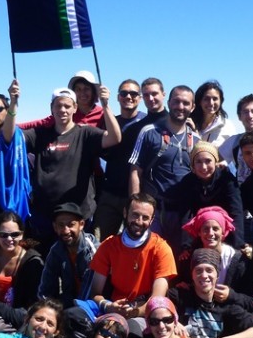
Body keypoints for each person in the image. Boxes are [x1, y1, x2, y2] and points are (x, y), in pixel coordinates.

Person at [2, 80, 120, 248]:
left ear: (75, 108)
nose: (62, 110)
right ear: (52, 109)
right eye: (58, 106)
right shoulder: (40, 134)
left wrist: (106, 105)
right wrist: (13, 103)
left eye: (67, 106)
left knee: (80, 261)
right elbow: (9, 137)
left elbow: (115, 138)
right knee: (45, 259)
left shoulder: (85, 133)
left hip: (78, 214)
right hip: (45, 214)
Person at [85, 193, 178, 327]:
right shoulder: (108, 245)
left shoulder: (161, 248)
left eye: (145, 218)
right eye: (135, 215)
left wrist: (134, 312)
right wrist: (109, 306)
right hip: (112, 308)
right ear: (125, 213)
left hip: (144, 312)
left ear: (152, 221)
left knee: (131, 330)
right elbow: (95, 293)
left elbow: (157, 299)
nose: (139, 222)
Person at [128, 85, 197, 255]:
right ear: (169, 102)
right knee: (148, 255)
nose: (180, 106)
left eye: (185, 103)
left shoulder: (196, 139)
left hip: (183, 213)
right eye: (176, 101)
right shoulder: (150, 132)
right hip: (154, 210)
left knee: (178, 259)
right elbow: (135, 170)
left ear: (193, 107)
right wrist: (134, 206)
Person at [95, 77, 166, 240]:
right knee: (101, 243)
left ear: (140, 98)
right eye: (124, 93)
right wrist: (104, 104)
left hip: (139, 196)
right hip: (110, 195)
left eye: (134, 93)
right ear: (118, 97)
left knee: (136, 244)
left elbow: (167, 119)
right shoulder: (110, 122)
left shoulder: (148, 125)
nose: (129, 97)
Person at [177, 142, 245, 255]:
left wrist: (238, 244)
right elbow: (186, 215)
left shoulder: (227, 179)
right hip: (200, 231)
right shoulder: (187, 182)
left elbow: (236, 212)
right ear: (193, 165)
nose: (203, 167)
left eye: (208, 161)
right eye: (198, 162)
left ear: (216, 162)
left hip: (224, 231)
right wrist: (186, 245)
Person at [179, 205, 253, 302]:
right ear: (199, 233)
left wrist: (230, 296)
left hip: (231, 312)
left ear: (223, 232)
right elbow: (183, 286)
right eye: (205, 229)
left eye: (215, 229)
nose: (210, 233)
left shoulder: (240, 261)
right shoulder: (190, 258)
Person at [38, 203, 99, 308]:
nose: (66, 231)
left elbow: (90, 290)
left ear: (81, 224)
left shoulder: (92, 249)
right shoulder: (55, 251)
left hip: (93, 305)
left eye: (71, 225)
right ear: (55, 227)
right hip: (69, 303)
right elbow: (45, 289)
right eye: (61, 225)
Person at [0, 210, 44, 309]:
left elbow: (33, 302)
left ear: (21, 235)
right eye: (3, 235)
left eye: (15, 234)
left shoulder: (33, 263)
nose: (9, 239)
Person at [17, 71, 105, 129]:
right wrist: (12, 127)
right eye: (78, 89)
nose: (82, 93)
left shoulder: (103, 114)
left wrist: (106, 104)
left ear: (94, 92)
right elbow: (38, 124)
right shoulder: (66, 113)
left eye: (86, 89)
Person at [191, 80, 237, 149]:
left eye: (215, 99)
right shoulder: (190, 124)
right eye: (206, 99)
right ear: (200, 101)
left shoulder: (227, 126)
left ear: (221, 101)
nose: (211, 103)